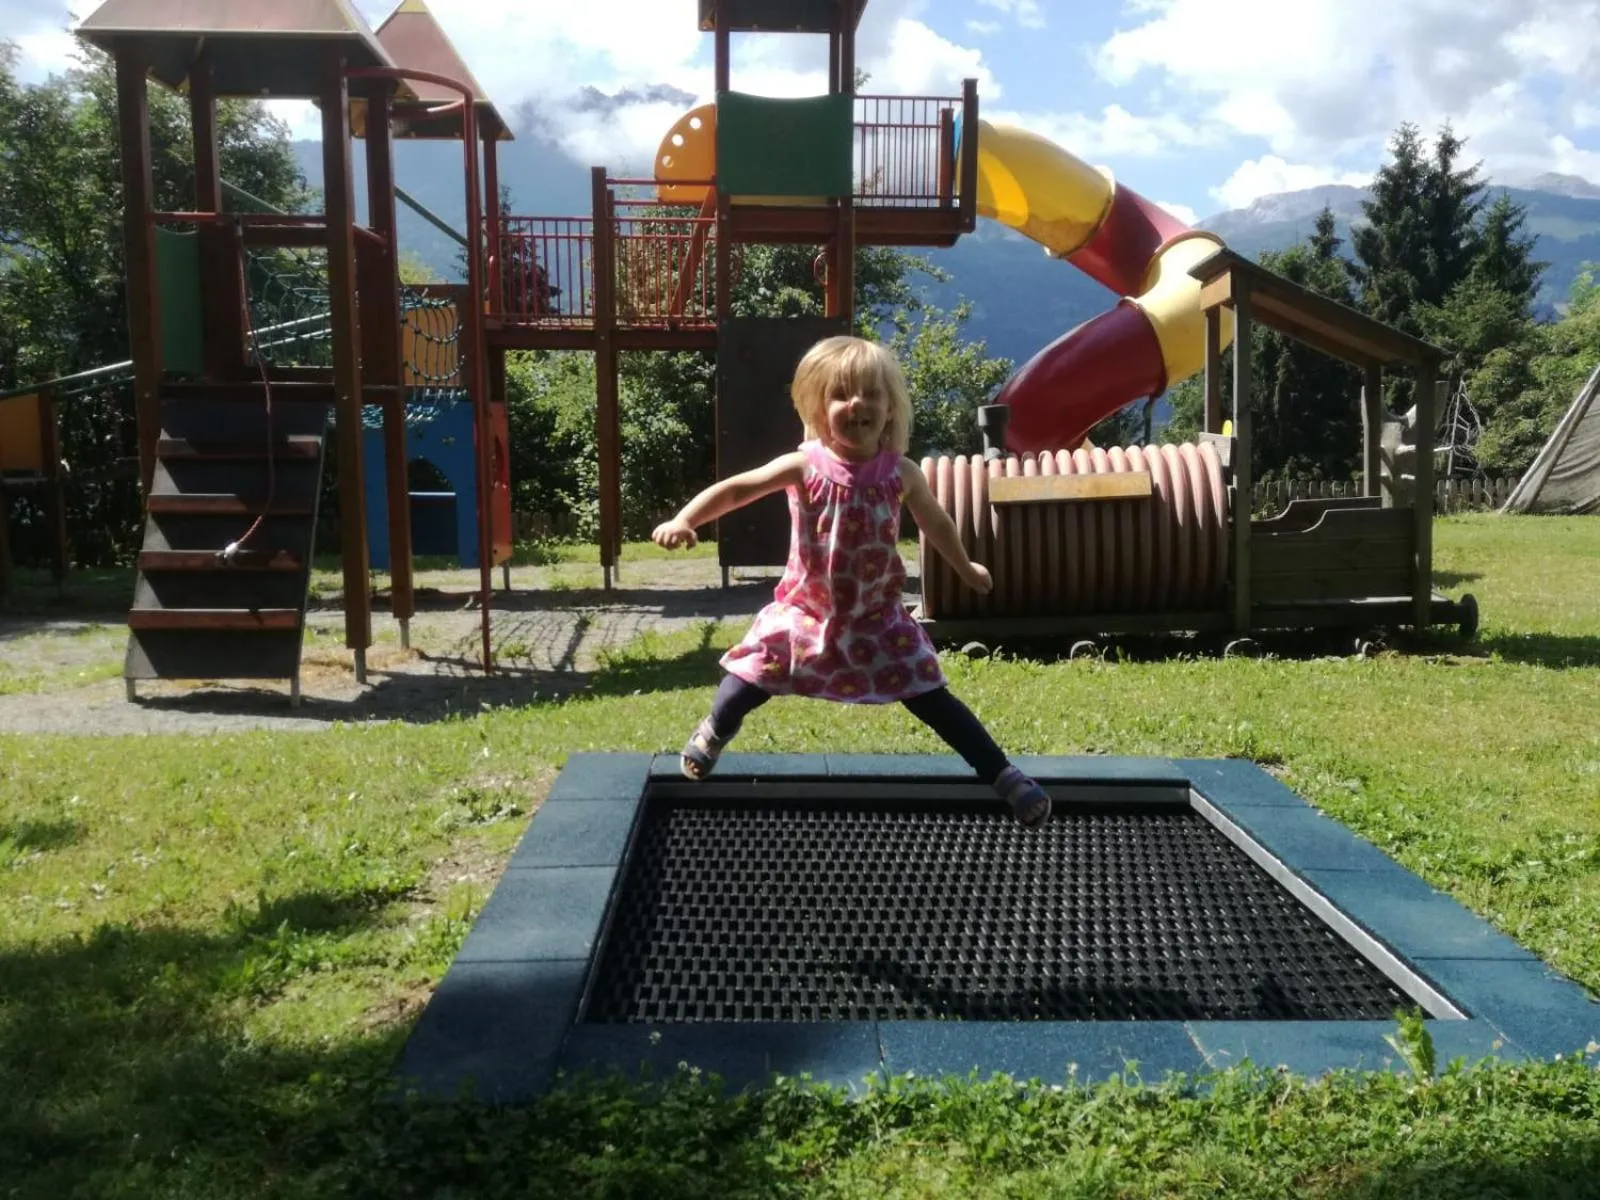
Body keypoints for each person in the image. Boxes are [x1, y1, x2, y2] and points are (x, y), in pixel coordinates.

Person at [650, 335, 1051, 828]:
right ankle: (715, 729)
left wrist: (966, 567)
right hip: (806, 613)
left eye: (870, 394)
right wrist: (685, 519)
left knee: (933, 698)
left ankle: (1002, 774)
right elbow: (737, 489)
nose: (857, 403)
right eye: (841, 395)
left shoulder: (900, 474)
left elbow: (936, 522)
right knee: (745, 682)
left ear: (890, 409)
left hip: (878, 620)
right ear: (819, 410)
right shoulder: (804, 466)